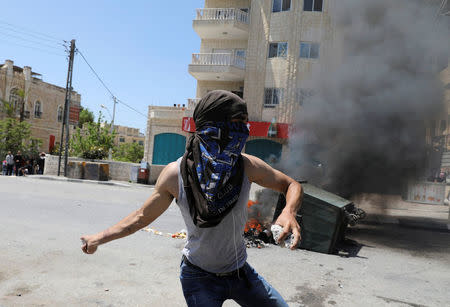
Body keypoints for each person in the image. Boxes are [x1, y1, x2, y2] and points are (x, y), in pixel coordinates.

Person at [81, 90, 303, 306]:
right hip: (199, 278)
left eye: (245, 123)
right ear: (212, 124)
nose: (242, 130)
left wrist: (288, 211)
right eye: (237, 122)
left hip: (239, 272)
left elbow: (290, 184)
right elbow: (140, 217)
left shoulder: (245, 166)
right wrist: (98, 238)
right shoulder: (175, 174)